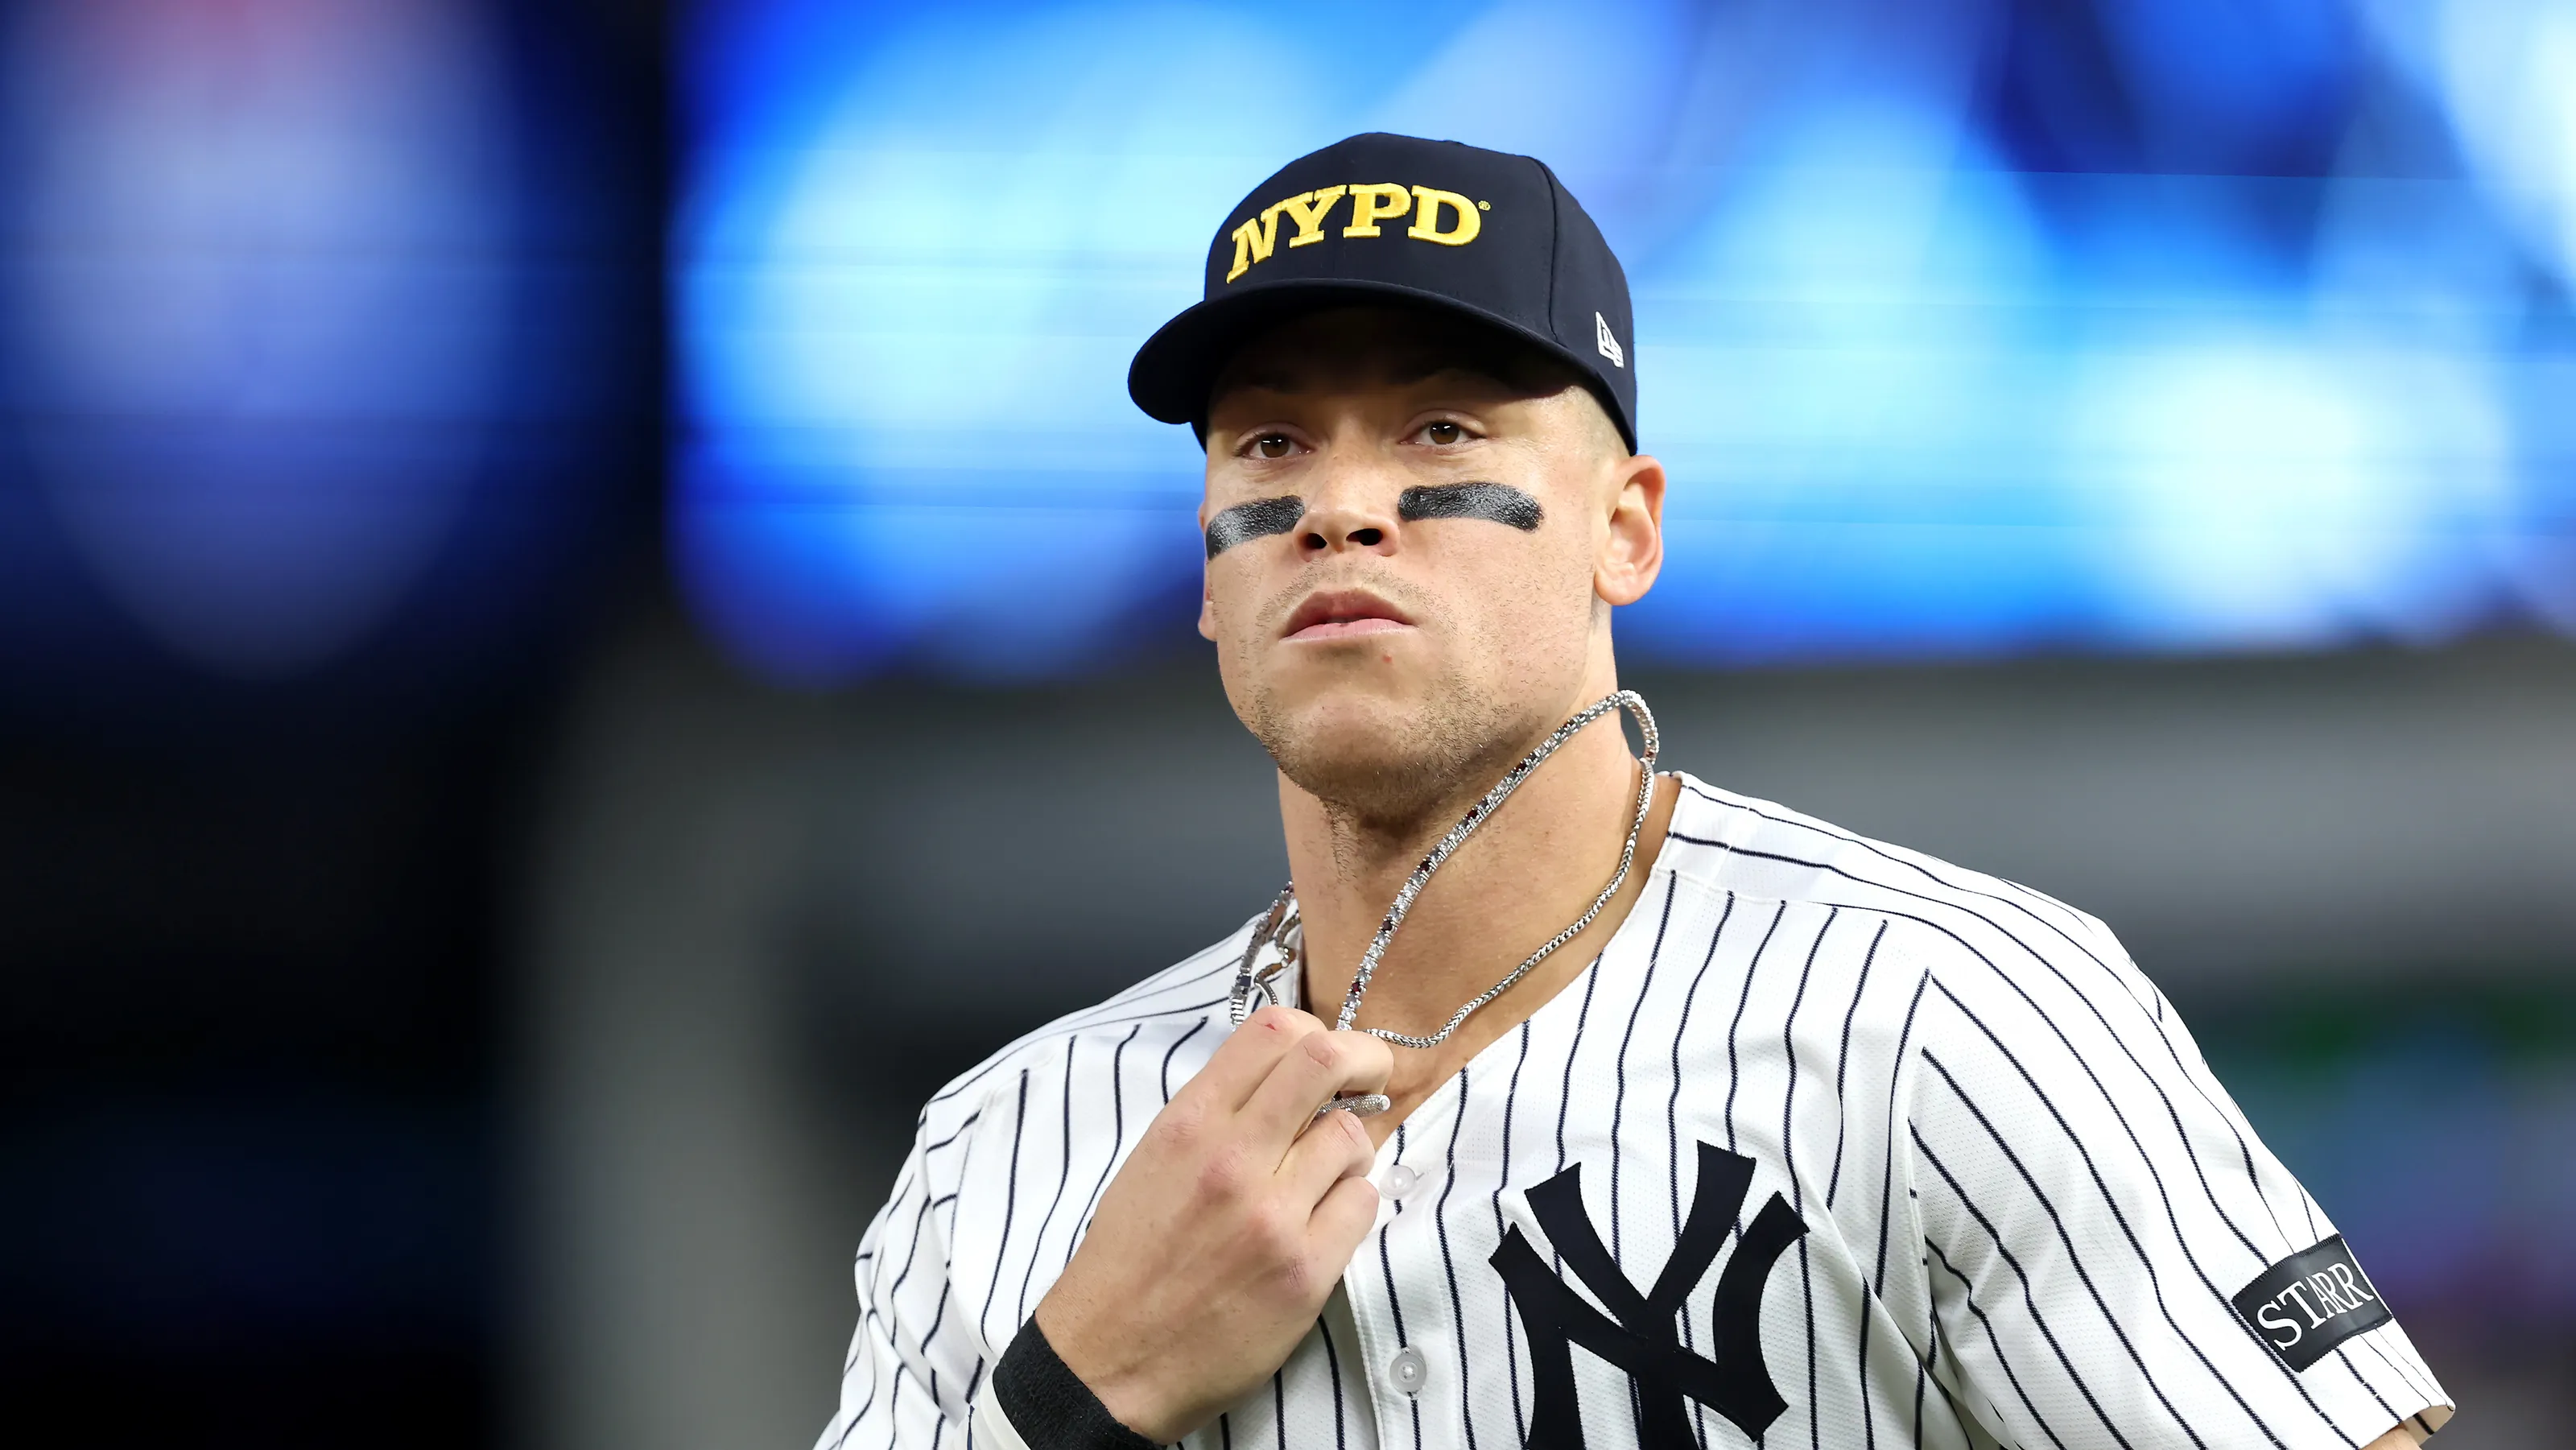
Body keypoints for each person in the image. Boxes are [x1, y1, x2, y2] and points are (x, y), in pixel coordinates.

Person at [816, 133, 2453, 1450]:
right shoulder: (1003, 1149)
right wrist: (1074, 1397)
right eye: (1269, 447)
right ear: (1208, 575)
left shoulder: (1942, 1012)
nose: (1338, 507)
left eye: (1439, 427)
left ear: (1627, 529)